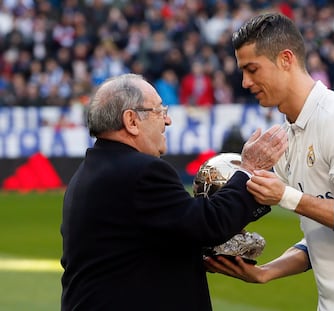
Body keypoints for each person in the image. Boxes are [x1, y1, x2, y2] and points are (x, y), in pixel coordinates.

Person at [204, 13, 334, 310]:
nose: (245, 82)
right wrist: (265, 273)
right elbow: (321, 236)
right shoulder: (289, 136)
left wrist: (287, 196)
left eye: (252, 69)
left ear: (286, 59)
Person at [60, 73, 288, 310]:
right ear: (131, 121)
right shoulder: (142, 172)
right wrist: (249, 169)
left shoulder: (87, 174)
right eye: (159, 111)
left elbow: (151, 241)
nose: (167, 121)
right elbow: (208, 225)